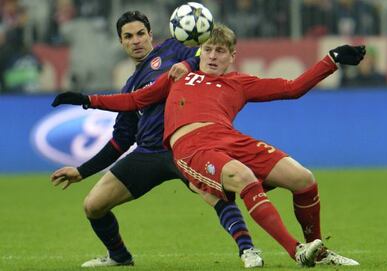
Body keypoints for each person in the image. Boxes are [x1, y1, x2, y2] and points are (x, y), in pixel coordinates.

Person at [52, 24, 365, 267]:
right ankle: (295, 250)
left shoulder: (240, 82)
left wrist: (331, 60)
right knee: (243, 177)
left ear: (232, 56)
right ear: (199, 52)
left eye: (221, 51)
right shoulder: (177, 76)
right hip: (192, 146)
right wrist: (87, 100)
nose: (214, 56)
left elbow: (293, 88)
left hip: (230, 138)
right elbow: (135, 100)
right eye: (209, 50)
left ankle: (317, 250)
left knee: (304, 179)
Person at [50, 12, 263, 268]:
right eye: (128, 36)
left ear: (151, 35)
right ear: (121, 42)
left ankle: (248, 250)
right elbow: (120, 141)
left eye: (141, 34)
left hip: (185, 146)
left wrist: (187, 65)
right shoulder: (130, 87)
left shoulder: (175, 48)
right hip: (149, 153)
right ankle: (119, 256)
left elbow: (203, 58)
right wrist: (81, 171)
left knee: (217, 196)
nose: (136, 41)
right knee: (93, 206)